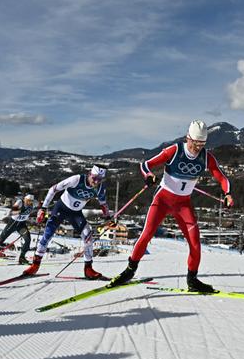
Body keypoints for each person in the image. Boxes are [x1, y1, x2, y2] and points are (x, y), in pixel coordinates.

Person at [108, 120, 233, 290]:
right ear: (188, 138)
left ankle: (192, 280)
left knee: (195, 243)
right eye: (195, 143)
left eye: (202, 144)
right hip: (162, 201)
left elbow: (222, 178)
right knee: (146, 234)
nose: (197, 147)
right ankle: (129, 270)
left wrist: (227, 194)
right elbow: (145, 165)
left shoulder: (206, 157)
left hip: (183, 205)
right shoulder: (175, 150)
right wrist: (148, 175)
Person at [23, 166, 111, 278]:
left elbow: (103, 203)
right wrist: (43, 209)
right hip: (61, 209)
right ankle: (35, 265)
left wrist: (108, 218)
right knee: (47, 235)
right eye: (94, 178)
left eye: (99, 179)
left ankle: (88, 269)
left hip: (76, 213)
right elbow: (53, 189)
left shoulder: (100, 188)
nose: (96, 181)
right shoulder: (77, 179)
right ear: (89, 174)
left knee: (88, 237)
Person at [0, 193, 36, 267]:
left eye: (31, 201)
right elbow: (12, 212)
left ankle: (22, 257)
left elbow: (38, 209)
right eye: (28, 200)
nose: (29, 202)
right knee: (1, 240)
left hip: (21, 225)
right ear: (25, 199)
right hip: (13, 224)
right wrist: (19, 211)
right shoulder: (20, 202)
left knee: (28, 239)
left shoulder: (32, 205)